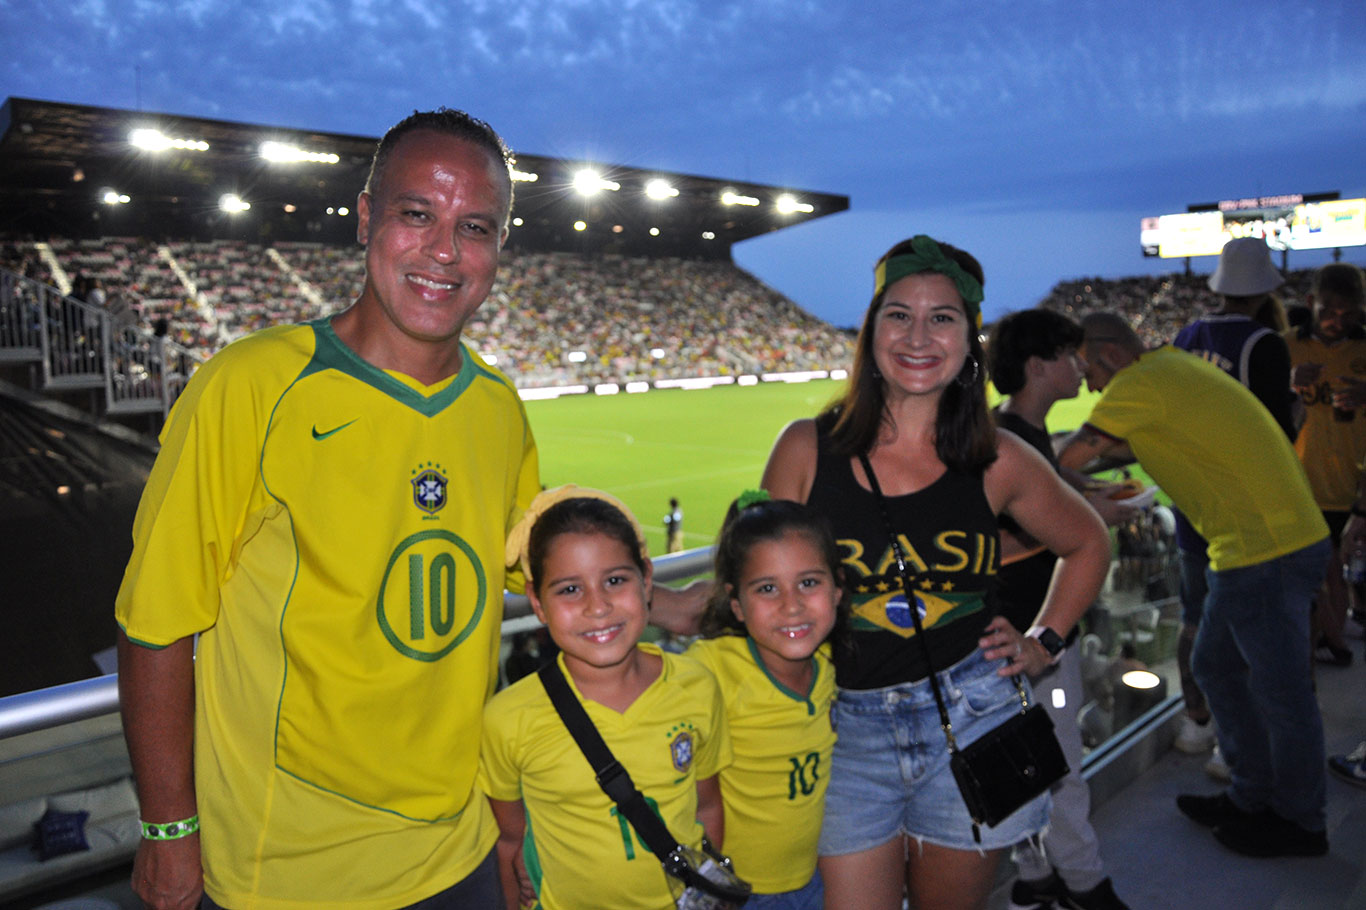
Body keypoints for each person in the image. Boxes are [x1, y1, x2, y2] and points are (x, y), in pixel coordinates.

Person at [113, 108, 706, 910]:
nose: (444, 251)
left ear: (499, 247)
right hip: (287, 871)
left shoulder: (496, 406)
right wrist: (167, 829)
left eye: (476, 227)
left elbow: (530, 555)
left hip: (460, 850)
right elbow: (155, 621)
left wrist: (667, 599)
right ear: (365, 219)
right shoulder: (250, 388)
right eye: (416, 214)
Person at [761, 235, 1110, 910]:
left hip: (975, 716)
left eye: (943, 317)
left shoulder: (999, 458)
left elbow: (1088, 543)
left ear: (969, 339)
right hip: (843, 725)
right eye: (899, 314)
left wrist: (1045, 642)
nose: (919, 335)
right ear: (872, 330)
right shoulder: (807, 448)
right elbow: (752, 586)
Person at [1057, 312, 1331, 859]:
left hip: (1265, 549)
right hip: (1264, 543)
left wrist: (1065, 475)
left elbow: (1068, 458)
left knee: (1281, 693)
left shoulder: (1137, 382)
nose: (1088, 384)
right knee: (1216, 667)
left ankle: (1301, 822)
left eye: (1086, 370)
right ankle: (1252, 795)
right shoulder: (1170, 369)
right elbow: (1133, 447)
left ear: (1108, 355)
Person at [480, 487, 730, 910]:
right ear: (537, 602)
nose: (598, 606)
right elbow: (509, 842)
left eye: (615, 580)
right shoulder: (508, 718)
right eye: (569, 590)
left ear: (647, 579)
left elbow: (707, 809)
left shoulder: (697, 686)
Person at [986, 309, 1129, 910]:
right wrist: (1084, 526)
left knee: (1027, 763)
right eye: (1071, 356)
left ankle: (1038, 874)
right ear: (1038, 367)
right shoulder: (1007, 442)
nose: (1080, 367)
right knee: (1061, 765)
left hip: (1027, 636)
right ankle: (1085, 886)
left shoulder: (1019, 434)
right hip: (1033, 640)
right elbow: (986, 549)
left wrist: (1088, 504)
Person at [1168, 236, 1297, 766]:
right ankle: (1233, 745)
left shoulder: (1185, 336)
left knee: (1193, 617)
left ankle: (1194, 722)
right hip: (1240, 512)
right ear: (1265, 288)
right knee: (1245, 626)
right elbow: (1276, 437)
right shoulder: (1266, 343)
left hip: (1189, 505)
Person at [686, 492, 844, 910]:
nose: (791, 605)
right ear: (736, 605)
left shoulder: (831, 666)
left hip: (817, 880)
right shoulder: (712, 669)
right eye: (767, 588)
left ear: (838, 592)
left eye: (809, 583)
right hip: (738, 893)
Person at [1285, 263, 1366, 666]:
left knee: (1339, 573)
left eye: (1349, 314)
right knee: (1315, 576)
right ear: (1311, 303)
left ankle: (1333, 637)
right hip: (1298, 487)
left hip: (1352, 489)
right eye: (1329, 312)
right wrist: (1287, 381)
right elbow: (1252, 408)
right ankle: (1329, 641)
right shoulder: (1285, 346)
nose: (1338, 322)